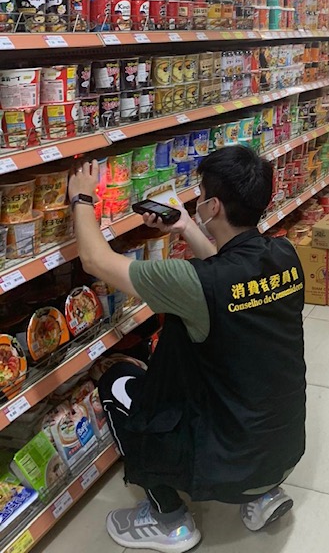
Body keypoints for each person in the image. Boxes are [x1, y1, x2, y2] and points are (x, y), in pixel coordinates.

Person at [68, 146, 307, 553]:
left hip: (229, 460)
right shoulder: (284, 254)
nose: (198, 199)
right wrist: (186, 227)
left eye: (202, 194)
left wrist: (82, 197)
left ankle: (169, 518)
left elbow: (95, 260)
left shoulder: (192, 282)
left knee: (119, 381)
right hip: (283, 451)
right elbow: (227, 280)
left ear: (213, 206)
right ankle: (262, 494)